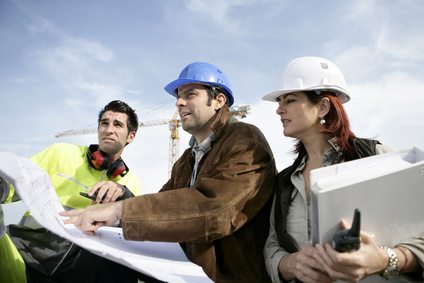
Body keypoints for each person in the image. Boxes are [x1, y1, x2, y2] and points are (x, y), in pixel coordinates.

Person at [61, 61, 277, 282]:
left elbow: (214, 209)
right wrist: (122, 199)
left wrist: (120, 210)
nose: (179, 103)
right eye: (178, 96)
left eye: (190, 94)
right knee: (108, 253)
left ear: (218, 101)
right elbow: (166, 207)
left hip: (223, 277)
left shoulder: (245, 140)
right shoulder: (186, 159)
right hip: (187, 268)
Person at [262, 56, 424, 283]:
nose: (279, 110)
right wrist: (292, 264)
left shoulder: (374, 157)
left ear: (323, 106)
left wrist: (387, 259)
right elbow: (272, 246)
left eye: (289, 100)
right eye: (279, 101)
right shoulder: (285, 182)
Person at [0, 100, 142, 283]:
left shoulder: (130, 183)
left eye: (117, 124)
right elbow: (16, 180)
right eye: (104, 123)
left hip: (77, 272)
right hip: (25, 255)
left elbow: (135, 228)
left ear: (130, 136)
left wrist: (124, 195)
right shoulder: (61, 153)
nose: (108, 129)